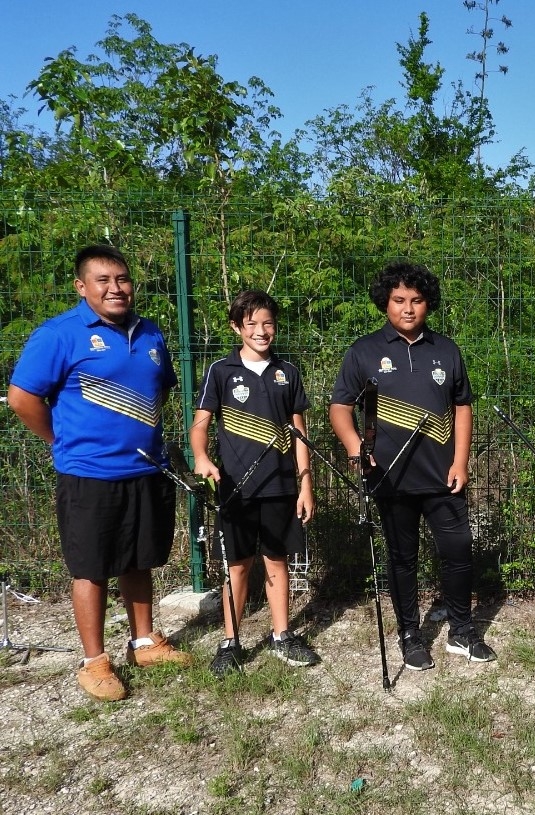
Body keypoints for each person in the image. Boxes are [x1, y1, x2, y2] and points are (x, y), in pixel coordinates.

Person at [7, 244, 192, 701]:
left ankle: (143, 642)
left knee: (138, 557)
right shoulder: (58, 335)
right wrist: (61, 442)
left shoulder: (150, 334)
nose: (116, 288)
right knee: (90, 566)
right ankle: (94, 662)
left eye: (123, 279)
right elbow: (22, 399)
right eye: (103, 280)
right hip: (88, 474)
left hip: (145, 469)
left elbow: (159, 392)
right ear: (81, 287)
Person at [329, 260, 495, 671]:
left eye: (417, 300)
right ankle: (409, 634)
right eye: (399, 300)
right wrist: (355, 446)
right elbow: (339, 406)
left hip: (443, 476)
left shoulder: (446, 350)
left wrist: (460, 460)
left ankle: (461, 630)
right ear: (385, 302)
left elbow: (462, 407)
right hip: (391, 477)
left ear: (428, 304)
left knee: (457, 551)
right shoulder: (363, 351)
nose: (408, 308)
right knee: (402, 559)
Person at [190, 290, 320, 677]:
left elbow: (300, 433)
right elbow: (201, 424)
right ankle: (231, 642)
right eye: (251, 324)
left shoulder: (288, 373)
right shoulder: (220, 371)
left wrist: (305, 483)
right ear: (236, 327)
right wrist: (201, 457)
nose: (261, 331)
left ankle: (282, 635)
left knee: (278, 562)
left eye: (267, 323)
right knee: (238, 568)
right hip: (237, 489)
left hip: (281, 486)